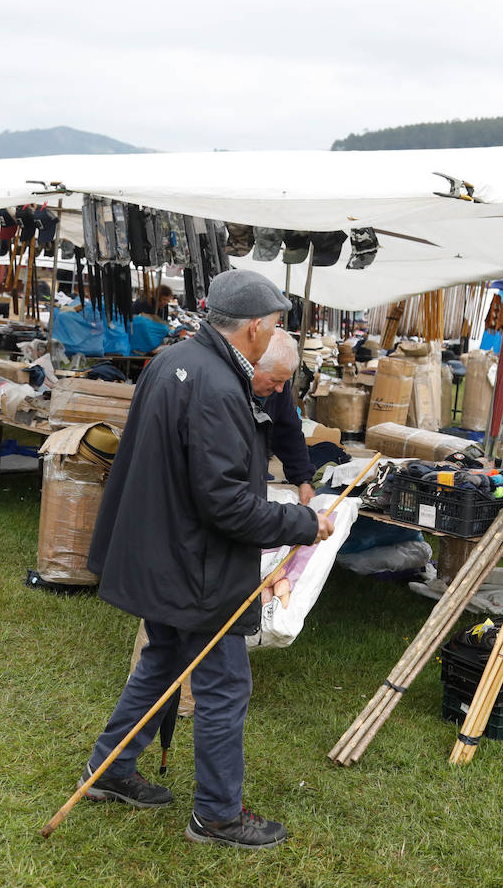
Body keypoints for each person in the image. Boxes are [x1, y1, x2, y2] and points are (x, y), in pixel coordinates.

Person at [82, 268, 333, 850]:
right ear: (253, 329)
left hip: (162, 549)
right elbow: (226, 505)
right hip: (192, 564)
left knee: (163, 662)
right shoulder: (218, 385)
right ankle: (218, 815)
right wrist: (302, 523)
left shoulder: (175, 361)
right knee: (223, 686)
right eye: (274, 325)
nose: (276, 333)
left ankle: (110, 771)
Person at [253, 329, 315, 506]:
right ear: (255, 366)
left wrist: (304, 479)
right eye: (275, 380)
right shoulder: (228, 387)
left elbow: (288, 432)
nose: (281, 388)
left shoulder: (278, 388)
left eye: (284, 381)